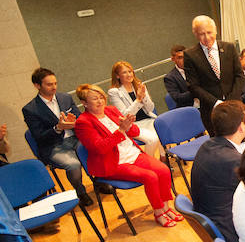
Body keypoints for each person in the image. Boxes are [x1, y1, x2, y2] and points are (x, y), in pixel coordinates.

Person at [74, 84, 179, 227]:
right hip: (113, 162)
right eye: (94, 99)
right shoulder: (83, 123)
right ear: (84, 103)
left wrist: (129, 125)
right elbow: (100, 148)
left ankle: (166, 207)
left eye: (101, 97)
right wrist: (121, 130)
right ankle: (159, 212)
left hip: (132, 153)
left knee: (164, 170)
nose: (100, 101)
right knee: (150, 177)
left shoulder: (110, 110)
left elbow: (134, 132)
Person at [22, 67, 93, 206]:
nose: (54, 87)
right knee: (73, 164)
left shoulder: (65, 97)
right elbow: (39, 136)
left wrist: (75, 122)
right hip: (54, 146)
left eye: (55, 83)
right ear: (37, 86)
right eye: (49, 84)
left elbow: (80, 118)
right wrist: (58, 128)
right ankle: (80, 192)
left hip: (75, 139)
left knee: (97, 148)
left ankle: (100, 181)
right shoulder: (30, 109)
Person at [190, 100, 245, 242]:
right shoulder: (232, 160)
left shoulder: (207, 146)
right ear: (241, 127)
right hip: (232, 232)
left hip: (213, 218)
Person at [183, 15, 245, 133]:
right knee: (220, 146)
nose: (207, 37)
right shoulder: (190, 55)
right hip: (211, 110)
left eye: (209, 32)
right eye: (202, 34)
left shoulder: (229, 48)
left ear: (216, 31)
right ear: (195, 34)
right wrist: (216, 103)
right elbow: (193, 86)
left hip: (234, 105)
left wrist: (231, 101)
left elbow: (239, 76)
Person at [107, 60, 163, 160]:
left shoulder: (139, 85)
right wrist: (138, 99)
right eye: (124, 72)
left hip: (149, 120)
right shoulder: (114, 92)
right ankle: (151, 162)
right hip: (133, 125)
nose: (129, 75)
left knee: (163, 133)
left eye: (130, 71)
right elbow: (125, 115)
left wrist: (144, 97)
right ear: (117, 76)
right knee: (153, 139)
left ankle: (164, 158)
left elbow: (150, 108)